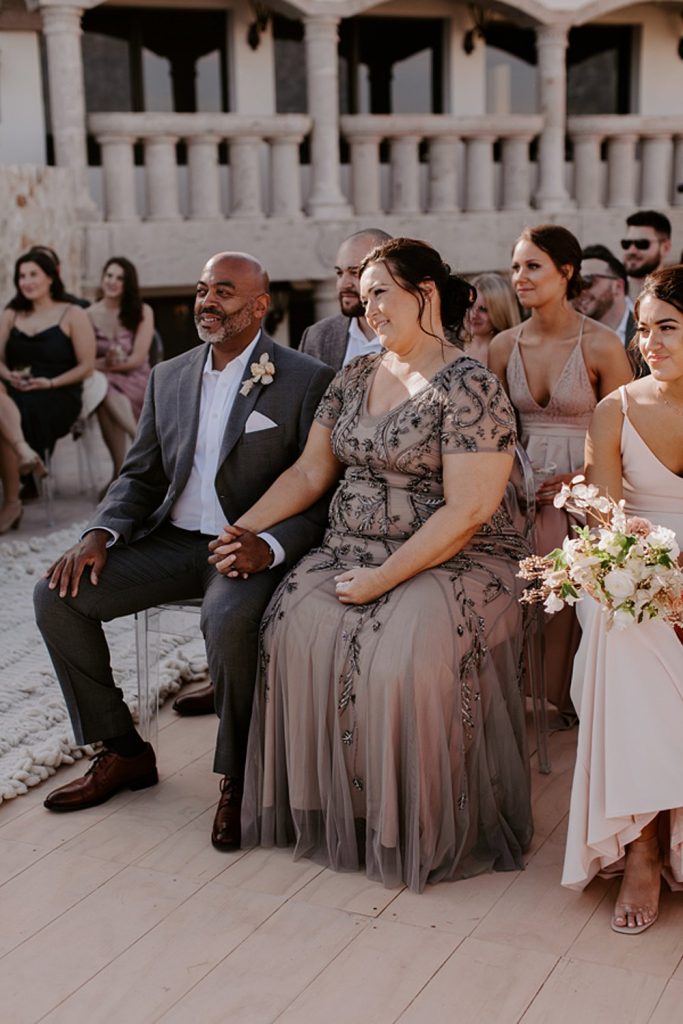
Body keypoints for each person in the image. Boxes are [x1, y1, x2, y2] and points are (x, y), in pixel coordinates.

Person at [212, 238, 533, 893]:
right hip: (348, 548)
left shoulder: (469, 385)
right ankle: (335, 813)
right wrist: (244, 526)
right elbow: (310, 470)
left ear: (426, 293)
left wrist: (384, 580)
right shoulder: (355, 376)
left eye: (380, 289)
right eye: (363, 289)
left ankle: (404, 825)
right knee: (289, 630)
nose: (366, 302)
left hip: (453, 559)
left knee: (401, 660)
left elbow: (469, 510)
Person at [33, 251, 334, 856]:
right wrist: (101, 533)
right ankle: (123, 750)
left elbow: (320, 493)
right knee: (56, 595)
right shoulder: (168, 376)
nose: (207, 301)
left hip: (243, 547)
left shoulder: (306, 377)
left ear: (259, 305)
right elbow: (140, 475)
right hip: (170, 542)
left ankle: (238, 777)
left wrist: (269, 545)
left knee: (224, 619)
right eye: (201, 290)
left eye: (224, 291)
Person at [562, 264, 683, 935]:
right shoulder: (614, 409)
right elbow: (605, 524)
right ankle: (641, 843)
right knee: (622, 625)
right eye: (642, 329)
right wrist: (652, 580)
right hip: (634, 564)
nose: (648, 342)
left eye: (665, 326)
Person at [488, 224, 632, 716]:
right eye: (515, 267)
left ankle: (567, 696)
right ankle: (508, 695)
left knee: (560, 555)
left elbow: (627, 433)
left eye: (533, 266)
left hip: (589, 489)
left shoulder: (603, 345)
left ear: (565, 272)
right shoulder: (503, 346)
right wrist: (515, 482)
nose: (520, 277)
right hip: (518, 490)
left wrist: (578, 485)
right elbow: (490, 435)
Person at [0, 251, 95, 532]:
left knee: (9, 416)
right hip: (16, 388)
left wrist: (50, 383)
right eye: (21, 276)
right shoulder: (11, 313)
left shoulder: (72, 312)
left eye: (33, 275)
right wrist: (8, 375)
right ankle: (23, 452)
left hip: (58, 392)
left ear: (50, 277)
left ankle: (11, 502)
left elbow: (87, 366)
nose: (26, 282)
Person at [87, 257, 155, 493]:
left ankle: (118, 472)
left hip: (138, 379)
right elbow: (86, 362)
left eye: (120, 278)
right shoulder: (88, 314)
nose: (113, 282)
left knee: (103, 393)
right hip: (107, 382)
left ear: (128, 284)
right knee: (102, 388)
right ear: (102, 278)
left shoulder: (143, 311)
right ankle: (139, 441)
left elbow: (137, 358)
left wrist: (107, 364)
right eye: (109, 276)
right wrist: (105, 363)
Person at [299, 228, 391, 371]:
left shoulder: (418, 334)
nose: (343, 284)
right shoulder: (318, 337)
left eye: (354, 272)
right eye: (339, 273)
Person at [465, 272, 521, 366]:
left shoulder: (513, 355)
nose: (473, 315)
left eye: (483, 309)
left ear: (501, 312)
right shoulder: (449, 345)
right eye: (470, 306)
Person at [622, 210, 672, 298]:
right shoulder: (606, 295)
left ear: (665, 248)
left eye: (642, 244)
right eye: (626, 244)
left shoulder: (676, 297)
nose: (631, 251)